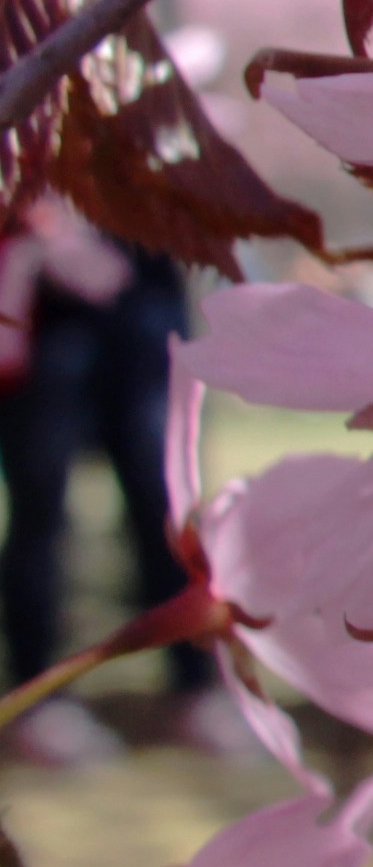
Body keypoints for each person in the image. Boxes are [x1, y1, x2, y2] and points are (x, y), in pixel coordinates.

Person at [0, 206, 219, 764]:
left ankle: (196, 686)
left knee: (165, 493)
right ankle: (39, 695)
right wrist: (46, 231)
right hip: (47, 308)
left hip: (146, 293)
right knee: (40, 504)